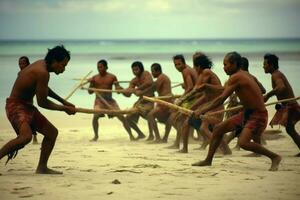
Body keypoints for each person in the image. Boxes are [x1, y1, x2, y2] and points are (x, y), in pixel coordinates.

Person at [192, 52, 281, 171]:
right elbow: (259, 90)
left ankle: (274, 157)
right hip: (247, 113)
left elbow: (221, 98)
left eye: (226, 64)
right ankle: (208, 160)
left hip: (258, 115)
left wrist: (201, 110)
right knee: (218, 129)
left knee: (243, 143)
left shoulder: (236, 77)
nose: (224, 67)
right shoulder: (243, 74)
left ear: (234, 64)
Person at [0, 45, 76, 174]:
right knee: (25, 137)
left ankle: (42, 167)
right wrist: (64, 109)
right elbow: (42, 102)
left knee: (52, 133)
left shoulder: (42, 65)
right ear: (55, 61)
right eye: (63, 65)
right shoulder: (42, 72)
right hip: (16, 106)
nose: (63, 69)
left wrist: (63, 101)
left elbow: (43, 88)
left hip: (28, 107)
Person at [179, 52, 230, 154]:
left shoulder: (206, 72)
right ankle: (184, 149)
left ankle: (219, 149)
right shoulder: (203, 74)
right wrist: (191, 108)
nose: (194, 69)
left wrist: (182, 100)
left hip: (216, 107)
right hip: (209, 107)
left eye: (194, 66)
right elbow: (204, 96)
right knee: (187, 122)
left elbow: (196, 90)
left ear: (198, 66)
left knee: (205, 128)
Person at [87, 59, 135, 141]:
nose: (99, 69)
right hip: (99, 100)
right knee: (95, 117)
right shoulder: (94, 78)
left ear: (106, 67)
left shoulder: (112, 77)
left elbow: (117, 90)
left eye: (101, 67)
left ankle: (131, 135)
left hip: (109, 100)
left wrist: (119, 88)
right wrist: (91, 83)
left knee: (121, 117)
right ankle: (96, 136)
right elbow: (90, 92)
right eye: (98, 67)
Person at [263, 53, 300, 156]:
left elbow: (281, 87)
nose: (263, 66)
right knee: (290, 129)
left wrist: (267, 96)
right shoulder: (276, 74)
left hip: (291, 105)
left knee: (289, 129)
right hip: (288, 105)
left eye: (265, 64)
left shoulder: (276, 75)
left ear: (271, 65)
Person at [162, 54, 197, 146]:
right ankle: (179, 141)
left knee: (174, 118)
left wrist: (181, 99)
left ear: (184, 63)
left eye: (179, 64)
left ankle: (178, 142)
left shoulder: (185, 71)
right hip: (194, 97)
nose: (177, 67)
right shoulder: (188, 69)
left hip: (193, 98)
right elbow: (191, 85)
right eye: (175, 65)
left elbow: (190, 88)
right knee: (177, 118)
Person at [122, 61, 154, 140]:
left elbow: (149, 83)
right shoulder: (134, 80)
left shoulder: (146, 74)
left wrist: (137, 89)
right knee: (127, 118)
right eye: (133, 70)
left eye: (136, 69)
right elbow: (128, 94)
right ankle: (140, 134)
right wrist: (122, 91)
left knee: (149, 116)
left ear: (141, 69)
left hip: (150, 100)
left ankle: (151, 135)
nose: (135, 72)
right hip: (140, 101)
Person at [147, 63, 173, 142]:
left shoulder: (161, 77)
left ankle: (158, 138)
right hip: (164, 100)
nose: (152, 73)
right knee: (168, 120)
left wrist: (141, 91)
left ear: (158, 71)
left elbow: (154, 88)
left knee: (150, 115)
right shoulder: (162, 77)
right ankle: (164, 138)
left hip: (165, 101)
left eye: (153, 71)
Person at [18, 56, 39, 144]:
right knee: (23, 120)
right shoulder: (19, 74)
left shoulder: (31, 73)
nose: (21, 65)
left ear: (28, 64)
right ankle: (24, 136)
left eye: (23, 63)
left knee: (31, 118)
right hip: (20, 101)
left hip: (28, 100)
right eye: (20, 64)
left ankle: (34, 137)